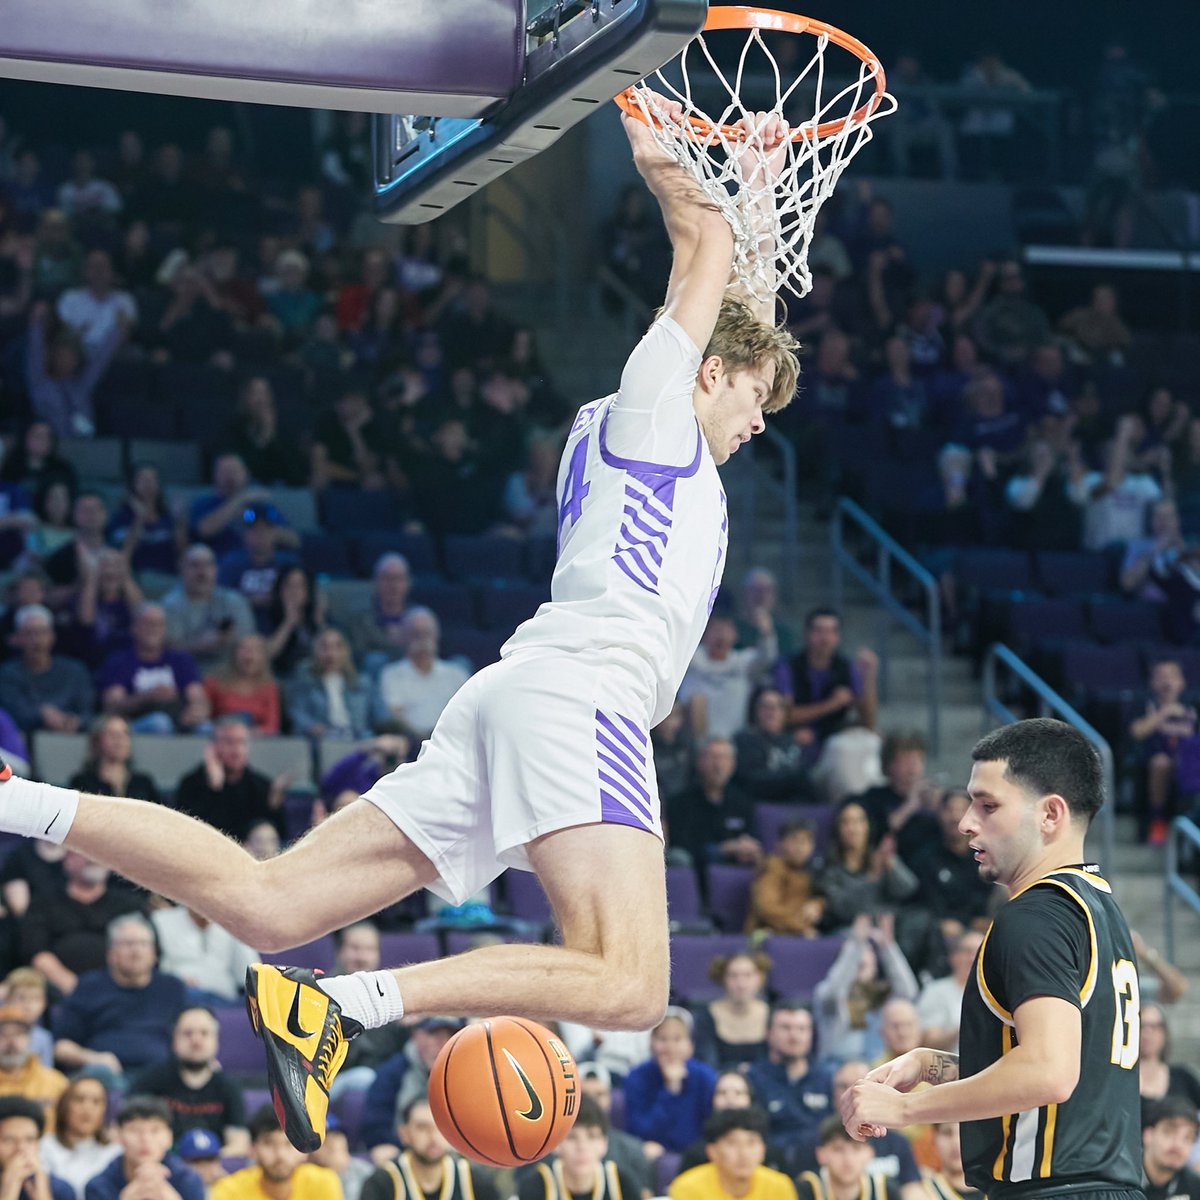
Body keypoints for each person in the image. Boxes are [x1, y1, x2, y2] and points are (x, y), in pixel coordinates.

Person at [0, 96, 801, 1159]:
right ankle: (348, 1005)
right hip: (581, 702)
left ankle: (19, 803)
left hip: (518, 698)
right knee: (632, 983)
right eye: (754, 398)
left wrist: (749, 181)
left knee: (268, 903)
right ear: (707, 372)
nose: (759, 422)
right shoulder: (655, 408)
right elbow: (700, 261)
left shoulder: (655, 431)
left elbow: (730, 302)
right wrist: (663, 147)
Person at [840, 719, 1144, 1200]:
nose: (965, 822)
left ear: (1050, 814)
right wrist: (928, 1065)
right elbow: (1052, 1076)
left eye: (988, 805)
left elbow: (1047, 1072)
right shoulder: (1095, 905)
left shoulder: (1035, 916)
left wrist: (904, 1112)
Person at [52, 914, 186, 1084]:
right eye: (128, 944)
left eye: (143, 944)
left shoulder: (172, 988)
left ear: (154, 953)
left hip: (160, 1077)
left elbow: (189, 1033)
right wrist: (94, 1058)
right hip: (106, 1076)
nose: (136, 951)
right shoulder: (88, 987)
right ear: (111, 953)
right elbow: (60, 1047)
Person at [20, 854, 146, 996]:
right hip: (61, 993)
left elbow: (146, 950)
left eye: (99, 855)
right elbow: (36, 952)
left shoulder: (129, 904)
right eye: (85, 853)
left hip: (124, 990)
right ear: (67, 861)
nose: (94, 859)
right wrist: (78, 991)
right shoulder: (43, 903)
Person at [130, 1008, 248, 1152]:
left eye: (204, 1033)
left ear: (216, 1041)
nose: (196, 1040)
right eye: (187, 1033)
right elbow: (124, 1129)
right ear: (174, 1040)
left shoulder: (229, 1087)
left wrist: (208, 1163)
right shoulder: (152, 1079)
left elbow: (239, 1143)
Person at [813, 914, 919, 1066]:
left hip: (879, 1066)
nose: (861, 964)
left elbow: (908, 994)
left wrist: (887, 947)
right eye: (857, 964)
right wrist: (856, 946)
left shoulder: (881, 996)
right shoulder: (830, 997)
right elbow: (836, 988)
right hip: (839, 1067)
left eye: (867, 963)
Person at [97, 604, 210, 735]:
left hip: (178, 719)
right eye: (147, 623)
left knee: (205, 727)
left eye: (158, 624)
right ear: (134, 628)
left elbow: (198, 698)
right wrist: (148, 696)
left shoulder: (180, 659)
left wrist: (196, 711)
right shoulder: (119, 661)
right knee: (160, 723)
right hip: (134, 724)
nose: (153, 629)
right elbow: (112, 706)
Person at [359, 1098, 497, 1200]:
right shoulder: (382, 1182)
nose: (433, 1137)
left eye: (440, 1127)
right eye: (422, 1128)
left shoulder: (473, 1178)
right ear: (404, 1134)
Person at [624, 1009, 718, 1156]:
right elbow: (640, 1130)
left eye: (677, 1039)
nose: (670, 1048)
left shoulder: (705, 1076)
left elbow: (710, 1128)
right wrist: (670, 1090)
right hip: (654, 1153)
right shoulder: (637, 1077)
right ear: (651, 1043)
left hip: (698, 1154)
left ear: (690, 1045)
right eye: (663, 1039)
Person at [173, 720, 286, 843]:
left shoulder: (261, 785)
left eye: (242, 742)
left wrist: (274, 807)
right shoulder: (191, 784)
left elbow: (280, 834)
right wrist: (214, 789)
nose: (237, 750)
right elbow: (189, 831)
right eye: (229, 742)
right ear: (213, 747)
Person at [747, 1005, 834, 1155]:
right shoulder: (752, 1079)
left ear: (811, 1035)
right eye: (785, 1028)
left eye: (801, 1029)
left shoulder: (827, 1079)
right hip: (769, 1160)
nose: (794, 1036)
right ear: (768, 1033)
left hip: (819, 1160)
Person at [680, 612, 777, 741]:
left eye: (726, 630)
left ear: (735, 635)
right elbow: (676, 645)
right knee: (697, 700)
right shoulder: (691, 658)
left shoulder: (742, 662)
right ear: (703, 634)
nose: (721, 635)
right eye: (716, 630)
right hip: (693, 739)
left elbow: (767, 658)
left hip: (734, 740)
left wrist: (766, 632)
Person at [374, 610, 469, 742]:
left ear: (436, 637)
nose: (422, 640)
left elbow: (466, 716)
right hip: (409, 744)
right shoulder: (391, 675)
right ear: (404, 638)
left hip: (451, 743)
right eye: (415, 634)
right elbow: (394, 716)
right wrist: (422, 739)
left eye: (427, 633)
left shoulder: (456, 674)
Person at [518, 1097, 639, 1200]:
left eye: (592, 1136)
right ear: (556, 1144)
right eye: (571, 1137)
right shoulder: (537, 1185)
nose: (582, 1147)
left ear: (604, 1144)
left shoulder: (621, 1183)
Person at [84, 1096, 204, 1200]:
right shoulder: (99, 1185)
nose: (145, 1139)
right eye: (135, 1130)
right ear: (118, 1135)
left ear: (170, 1136)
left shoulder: (188, 1180)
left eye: (155, 1130)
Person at [0, 606, 93, 736]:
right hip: (23, 742)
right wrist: (42, 715)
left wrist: (75, 721)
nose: (36, 640)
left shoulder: (75, 671)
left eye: (42, 632)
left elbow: (87, 712)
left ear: (52, 636)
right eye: (29, 633)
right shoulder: (6, 674)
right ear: (17, 638)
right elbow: (13, 713)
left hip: (73, 740)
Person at [210, 1106, 338, 1200]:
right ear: (252, 1149)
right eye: (269, 1143)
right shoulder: (229, 1191)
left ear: (304, 1150)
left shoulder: (323, 1182)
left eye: (289, 1143)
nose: (280, 1154)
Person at [161, 547, 256, 673]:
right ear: (182, 570)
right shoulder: (169, 605)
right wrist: (201, 645)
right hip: (187, 675)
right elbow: (168, 651)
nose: (201, 572)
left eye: (208, 565)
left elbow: (249, 642)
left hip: (231, 674)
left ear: (216, 570)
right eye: (194, 565)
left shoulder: (235, 601)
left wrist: (227, 639)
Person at [669, 1108, 796, 1200]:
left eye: (751, 1143)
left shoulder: (780, 1186)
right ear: (712, 1151)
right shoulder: (688, 1188)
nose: (743, 1153)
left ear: (762, 1150)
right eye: (732, 1143)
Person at [151, 908, 258, 1008]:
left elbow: (250, 974)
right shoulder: (161, 921)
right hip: (180, 997)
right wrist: (174, 981)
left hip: (223, 1000)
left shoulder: (233, 924)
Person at [577, 1064, 655, 1193]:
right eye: (585, 1095)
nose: (592, 1101)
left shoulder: (632, 1148)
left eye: (599, 1094)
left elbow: (645, 1193)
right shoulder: (552, 1147)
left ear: (610, 1098)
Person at [38, 1078, 120, 1200]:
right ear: (64, 1106)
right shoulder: (45, 1146)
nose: (87, 1108)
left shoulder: (115, 1152)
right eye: (79, 1099)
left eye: (96, 1102)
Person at [692, 954, 771, 1070]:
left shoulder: (773, 1016)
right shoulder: (706, 1017)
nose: (741, 984)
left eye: (748, 975)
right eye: (733, 976)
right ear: (723, 979)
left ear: (760, 978)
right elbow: (706, 1064)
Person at [747, 819, 825, 937]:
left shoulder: (812, 871)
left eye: (806, 841)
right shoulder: (772, 868)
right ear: (780, 844)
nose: (800, 847)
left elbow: (822, 898)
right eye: (794, 840)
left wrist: (818, 904)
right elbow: (767, 909)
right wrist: (800, 927)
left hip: (797, 934)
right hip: (766, 934)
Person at [795, 1116, 896, 1200]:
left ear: (870, 1153)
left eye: (857, 1148)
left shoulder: (885, 1188)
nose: (848, 1159)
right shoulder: (807, 1187)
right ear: (821, 1154)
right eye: (838, 1149)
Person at [915, 932, 984, 1054]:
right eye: (968, 951)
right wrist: (965, 1026)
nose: (973, 958)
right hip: (951, 1066)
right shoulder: (936, 991)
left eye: (980, 952)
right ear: (954, 956)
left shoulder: (996, 992)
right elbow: (929, 1041)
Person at [67, 717, 159, 805]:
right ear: (97, 741)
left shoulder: (144, 783)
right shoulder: (82, 783)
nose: (120, 739)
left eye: (125, 733)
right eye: (112, 734)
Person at [201, 636, 281, 736]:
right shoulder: (213, 683)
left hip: (257, 741)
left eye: (256, 650)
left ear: (263, 657)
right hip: (220, 737)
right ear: (234, 654)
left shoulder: (269, 687)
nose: (249, 653)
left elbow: (272, 726)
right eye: (244, 649)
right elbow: (201, 717)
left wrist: (246, 734)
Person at [0, 1096, 75, 1200]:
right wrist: (7, 1194)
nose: (20, 1148)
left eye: (29, 1140)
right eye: (9, 1140)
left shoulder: (60, 1189)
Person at [0, 1007, 66, 1123]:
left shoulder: (55, 1082)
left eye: (18, 1034)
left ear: (30, 1040)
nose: (11, 1042)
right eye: (3, 1035)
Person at [1137, 1003, 1200, 1108]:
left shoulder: (1184, 1078)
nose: (1147, 1033)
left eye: (1154, 1026)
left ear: (1164, 1033)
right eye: (1141, 1026)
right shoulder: (1122, 1080)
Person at [1140, 1098, 1200, 1200]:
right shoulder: (1119, 1180)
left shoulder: (1195, 1187)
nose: (1178, 1144)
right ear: (1148, 1135)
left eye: (1188, 1137)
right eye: (1169, 1132)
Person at [921, 1122, 983, 1200]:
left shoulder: (998, 1187)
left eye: (965, 1132)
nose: (956, 1142)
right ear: (934, 1138)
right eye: (947, 1132)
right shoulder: (922, 1191)